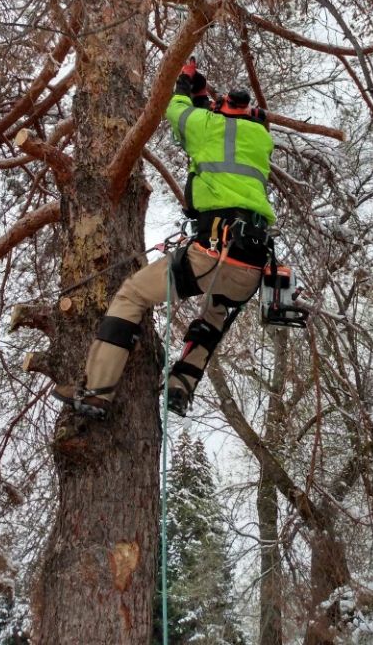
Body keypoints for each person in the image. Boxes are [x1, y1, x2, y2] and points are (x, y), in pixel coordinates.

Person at [52, 58, 275, 420]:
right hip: (250, 264)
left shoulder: (207, 126)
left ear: (221, 111)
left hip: (210, 253)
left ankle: (97, 392)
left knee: (132, 295)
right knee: (214, 316)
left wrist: (187, 87)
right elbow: (226, 131)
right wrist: (207, 99)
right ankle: (180, 387)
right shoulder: (261, 139)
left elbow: (177, 112)